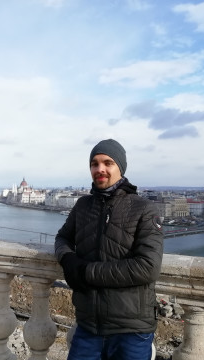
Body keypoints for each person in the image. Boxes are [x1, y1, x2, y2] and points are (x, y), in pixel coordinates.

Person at [55, 139, 164, 360]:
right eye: (94, 164)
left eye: (108, 162)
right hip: (88, 325)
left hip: (131, 329)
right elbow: (63, 237)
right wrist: (67, 258)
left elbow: (148, 267)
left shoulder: (143, 208)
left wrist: (85, 272)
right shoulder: (83, 206)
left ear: (120, 168)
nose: (100, 169)